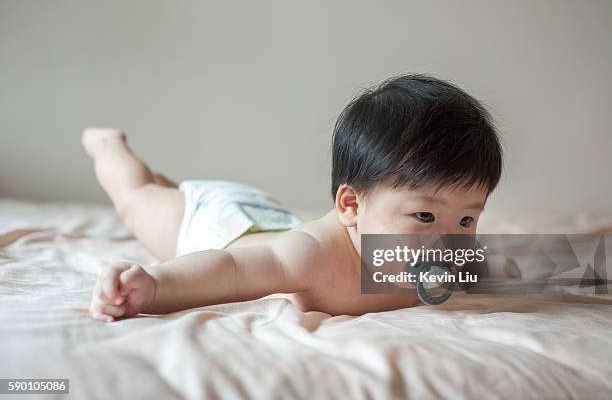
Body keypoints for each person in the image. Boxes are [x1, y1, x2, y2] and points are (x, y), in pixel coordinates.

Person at [84, 74, 502, 322]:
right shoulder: (312, 258)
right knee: (138, 198)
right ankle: (109, 147)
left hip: (268, 217)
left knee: (161, 192)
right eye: (425, 216)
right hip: (215, 222)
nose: (450, 241)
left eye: (466, 221)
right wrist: (155, 285)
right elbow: (231, 268)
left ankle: (168, 186)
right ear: (352, 207)